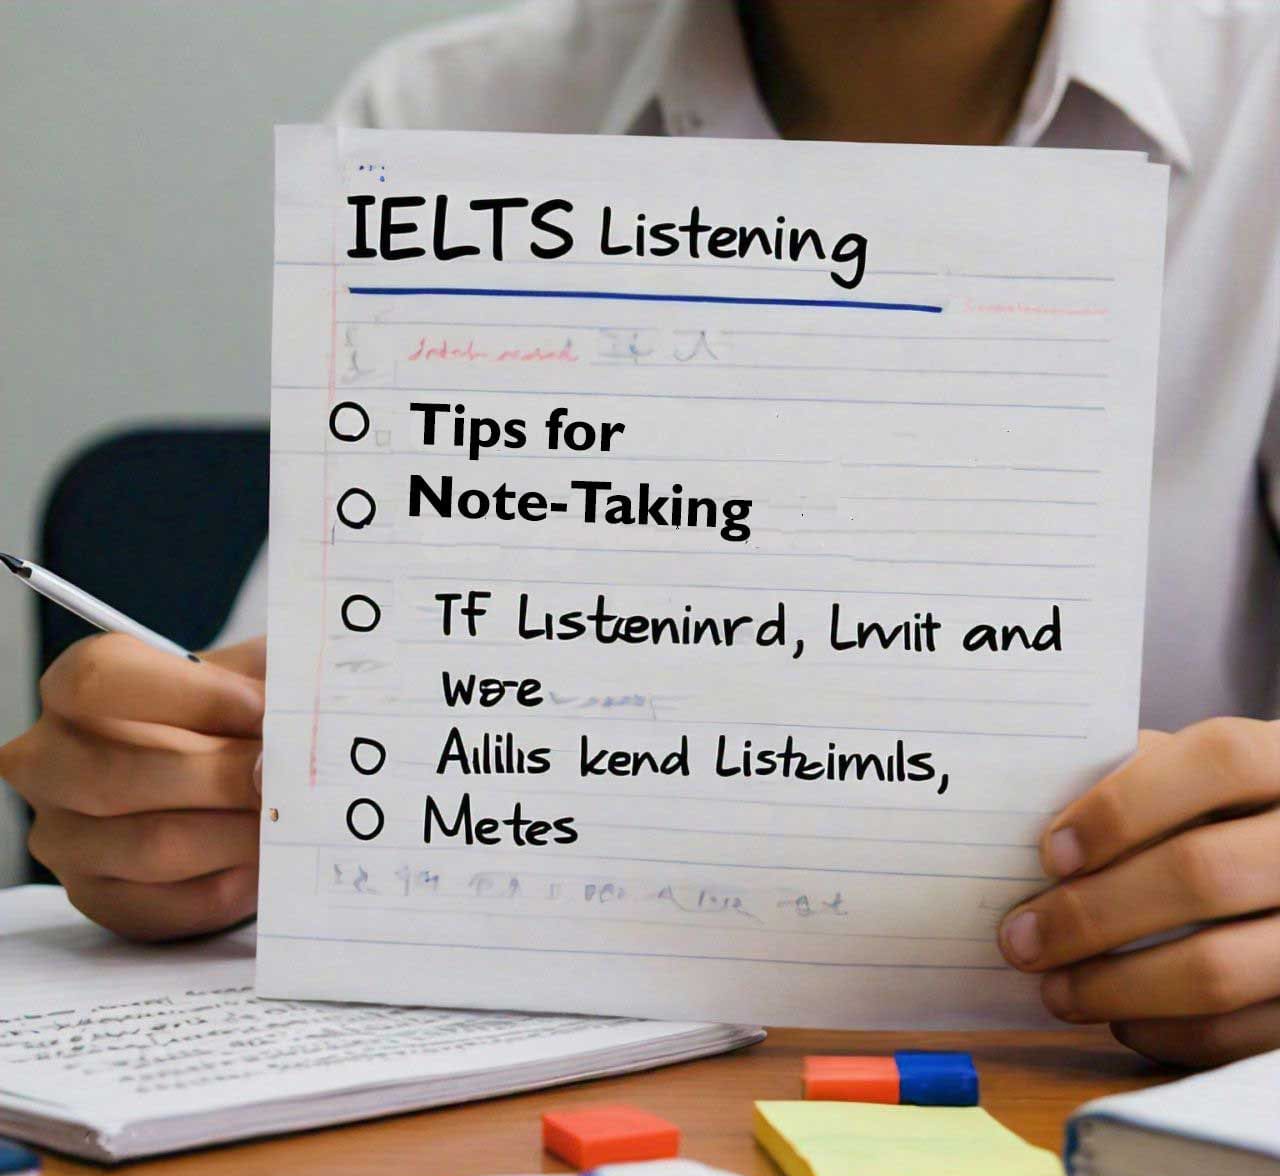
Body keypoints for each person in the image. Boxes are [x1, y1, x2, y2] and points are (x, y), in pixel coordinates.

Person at [3, 0, 1279, 1068]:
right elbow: (263, 764)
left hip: (1099, 1110)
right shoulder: (443, 116)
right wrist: (178, 819)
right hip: (533, 1133)